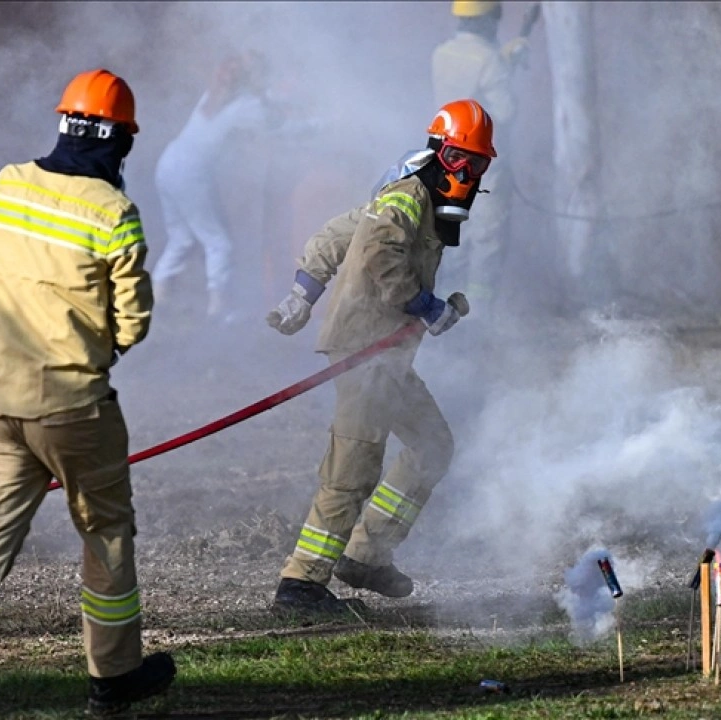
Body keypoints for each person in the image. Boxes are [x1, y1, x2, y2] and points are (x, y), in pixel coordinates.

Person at [0, 68, 174, 719]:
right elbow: (134, 323)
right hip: (75, 409)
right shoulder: (114, 214)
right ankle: (113, 677)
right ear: (119, 142)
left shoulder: (4, 187)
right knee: (105, 532)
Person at [264, 99, 496, 613]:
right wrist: (425, 304)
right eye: (463, 162)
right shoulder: (407, 195)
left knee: (432, 445)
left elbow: (337, 236)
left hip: (387, 356)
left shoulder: (410, 198)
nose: (470, 176)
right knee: (353, 465)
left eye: (479, 166)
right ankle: (300, 584)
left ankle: (367, 553)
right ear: (441, 153)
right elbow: (378, 252)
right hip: (365, 350)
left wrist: (304, 293)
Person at [150, 51, 294, 323]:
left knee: (181, 237)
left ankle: (159, 295)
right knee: (219, 243)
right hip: (190, 173)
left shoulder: (213, 96)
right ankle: (219, 309)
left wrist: (271, 96)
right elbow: (277, 126)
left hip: (168, 164)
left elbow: (265, 105)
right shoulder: (244, 106)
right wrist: (320, 126)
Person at [431, 0, 529, 315]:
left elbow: (469, 92)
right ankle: (478, 314)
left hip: (449, 159)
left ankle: (444, 305)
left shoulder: (441, 54)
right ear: (491, 19)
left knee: (455, 231)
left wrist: (500, 60)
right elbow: (506, 111)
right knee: (487, 238)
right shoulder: (489, 61)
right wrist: (507, 66)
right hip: (484, 163)